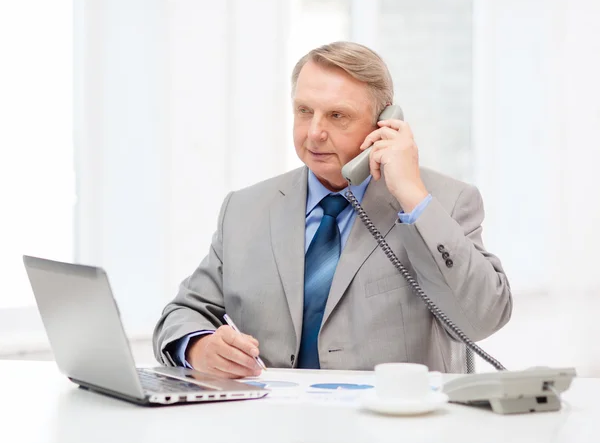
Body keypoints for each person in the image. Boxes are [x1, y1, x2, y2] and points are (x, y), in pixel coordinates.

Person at [152, 41, 512, 378]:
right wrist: (199, 347)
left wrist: (411, 196)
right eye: (304, 111)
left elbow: (483, 318)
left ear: (383, 124)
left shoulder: (444, 202)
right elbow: (181, 313)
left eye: (338, 116)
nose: (314, 133)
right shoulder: (245, 209)